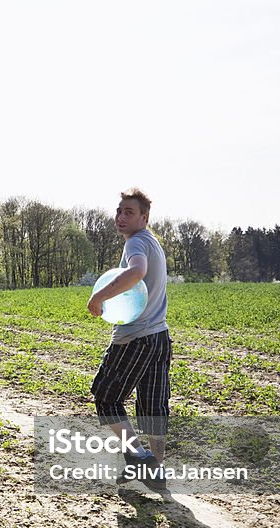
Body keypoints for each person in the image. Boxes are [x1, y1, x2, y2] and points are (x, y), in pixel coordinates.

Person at [86, 187, 172, 490]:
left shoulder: (137, 242)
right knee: (153, 406)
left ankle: (139, 458)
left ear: (144, 218)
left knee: (106, 399)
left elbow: (136, 272)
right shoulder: (153, 243)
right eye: (119, 210)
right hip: (160, 336)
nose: (121, 216)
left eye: (129, 212)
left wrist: (99, 296)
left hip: (135, 337)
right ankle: (155, 470)